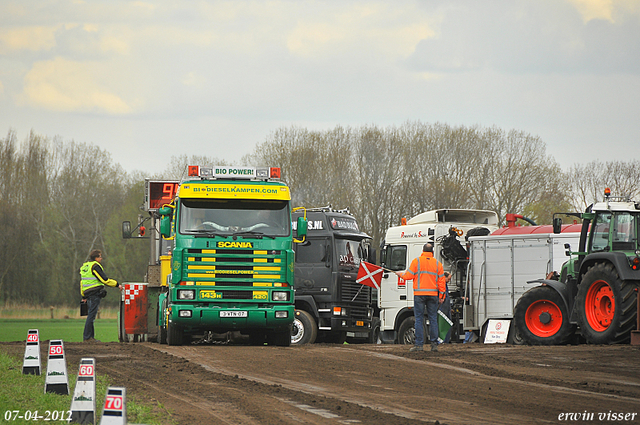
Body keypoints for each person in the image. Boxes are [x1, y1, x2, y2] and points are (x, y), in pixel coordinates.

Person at [396, 243, 446, 352]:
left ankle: (419, 345)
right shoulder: (438, 264)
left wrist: (400, 275)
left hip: (419, 295)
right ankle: (434, 345)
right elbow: (442, 282)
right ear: (432, 252)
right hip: (433, 295)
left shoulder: (417, 261)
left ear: (423, 251)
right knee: (433, 319)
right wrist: (442, 296)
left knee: (418, 319)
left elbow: (408, 276)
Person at [79, 249, 122, 342]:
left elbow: (82, 282)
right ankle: (87, 337)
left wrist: (83, 296)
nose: (101, 258)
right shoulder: (95, 266)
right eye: (100, 256)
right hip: (95, 293)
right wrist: (117, 284)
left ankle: (90, 337)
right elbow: (104, 280)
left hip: (87, 293)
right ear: (96, 258)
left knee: (91, 315)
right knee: (91, 315)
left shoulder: (85, 267)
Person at [439, 272, 453, 343]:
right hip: (443, 307)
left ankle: (446, 340)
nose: (449, 280)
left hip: (446, 307)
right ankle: (442, 340)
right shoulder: (441, 285)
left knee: (448, 323)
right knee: (443, 323)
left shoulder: (445, 285)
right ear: (444, 277)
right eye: (449, 279)